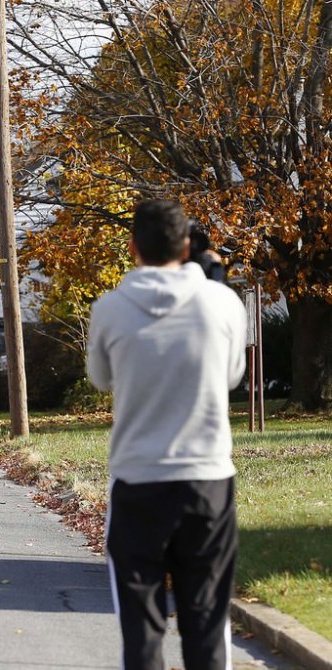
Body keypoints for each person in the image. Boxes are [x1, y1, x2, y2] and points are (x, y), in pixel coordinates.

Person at [87, 199, 247, 670]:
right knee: (206, 621)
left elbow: (100, 378)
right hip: (207, 481)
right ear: (185, 246)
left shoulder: (111, 309)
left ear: (133, 246)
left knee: (141, 629)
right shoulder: (222, 302)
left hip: (138, 482)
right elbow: (233, 374)